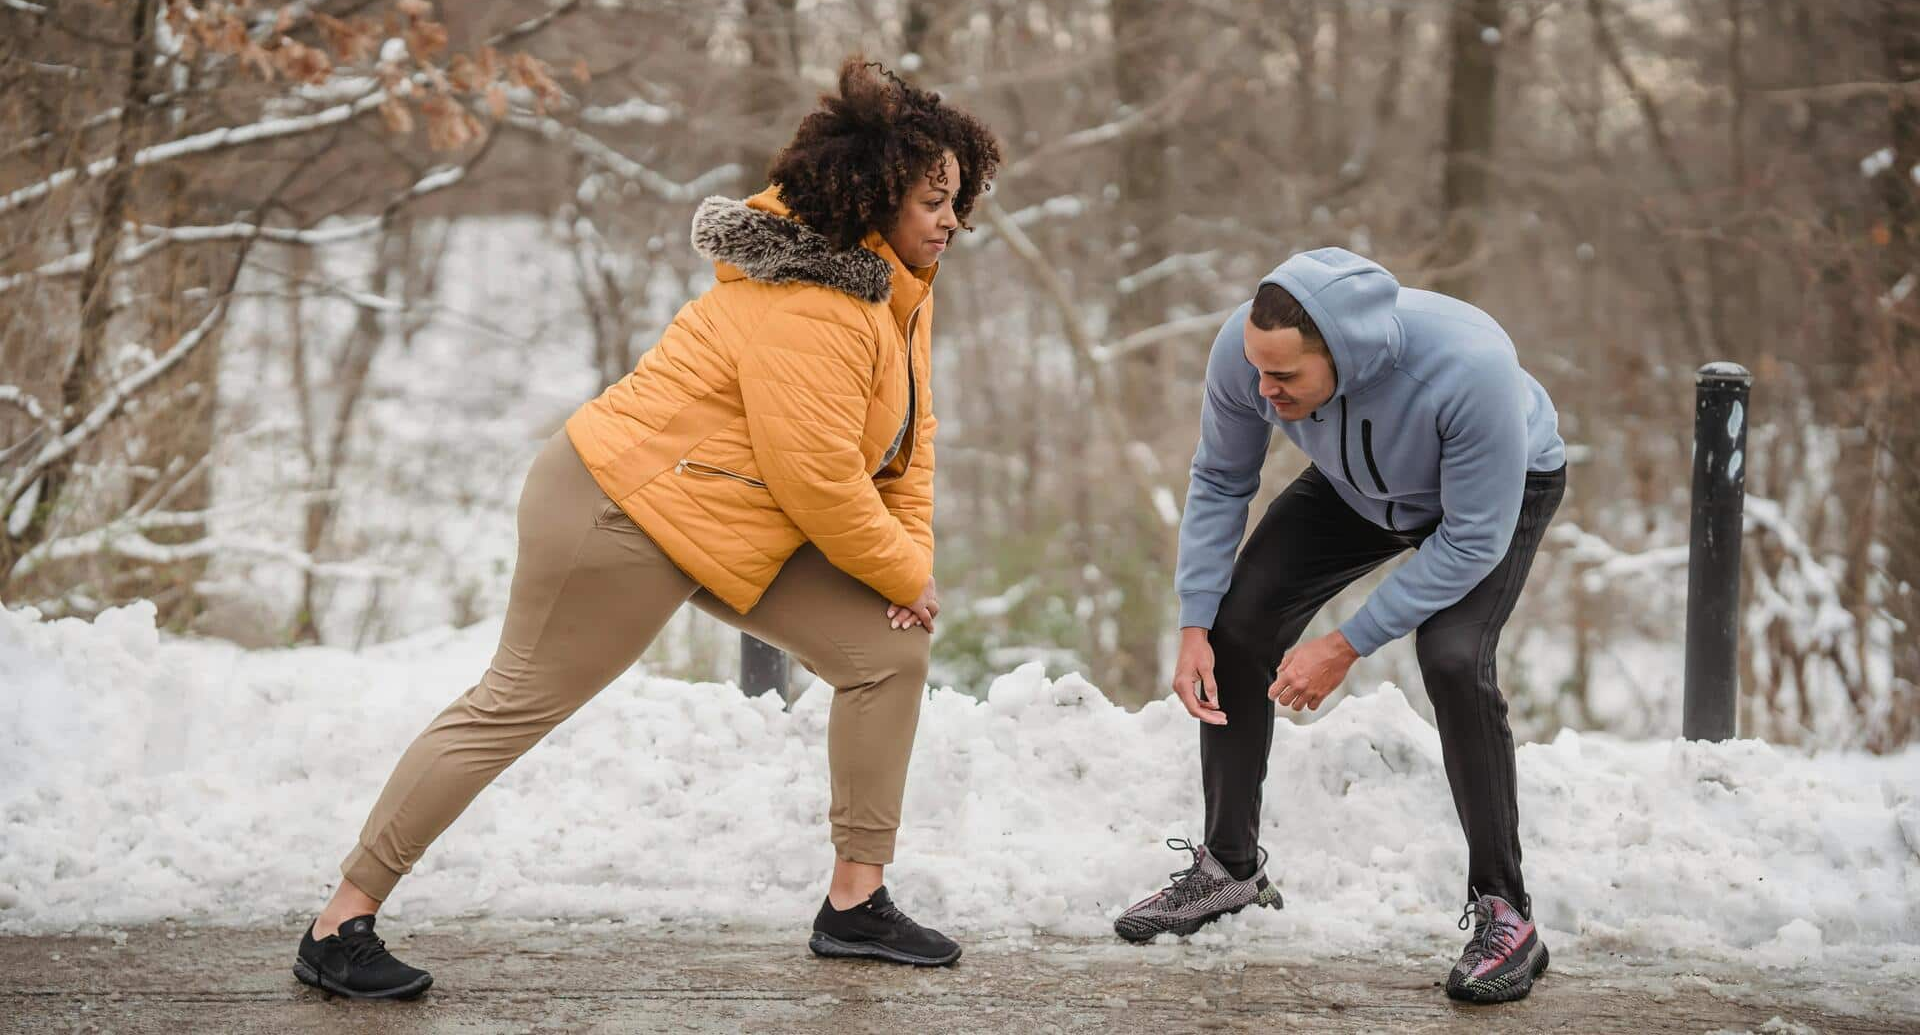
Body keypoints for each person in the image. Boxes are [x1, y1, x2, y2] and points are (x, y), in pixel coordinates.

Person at [293, 58, 1002, 999]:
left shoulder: (894, 294)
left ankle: (854, 904)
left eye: (957, 197)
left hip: (723, 516)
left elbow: (907, 450)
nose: (950, 219)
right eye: (931, 199)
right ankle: (339, 921)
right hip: (617, 507)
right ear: (874, 198)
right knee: (513, 706)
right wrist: (903, 573)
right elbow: (820, 477)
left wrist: (904, 570)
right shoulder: (818, 309)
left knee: (885, 655)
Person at [1114, 248, 1566, 1005]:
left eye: (1285, 378)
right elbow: (1224, 478)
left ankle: (1507, 913)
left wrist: (1347, 641)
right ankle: (1230, 871)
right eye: (1259, 371)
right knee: (1237, 626)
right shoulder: (1249, 349)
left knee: (1453, 657)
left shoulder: (1469, 366)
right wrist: (1194, 620)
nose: (1264, 388)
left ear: (1345, 358)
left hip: (1490, 495)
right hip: (1360, 488)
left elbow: (1473, 541)